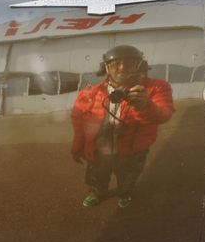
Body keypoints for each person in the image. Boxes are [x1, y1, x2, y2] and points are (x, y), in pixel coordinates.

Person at [70, 45, 174, 208]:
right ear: (105, 67)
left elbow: (165, 114)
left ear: (140, 65)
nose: (122, 68)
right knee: (96, 175)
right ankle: (96, 192)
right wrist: (77, 146)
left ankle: (125, 193)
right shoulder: (90, 93)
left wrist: (145, 105)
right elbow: (79, 122)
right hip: (99, 148)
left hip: (132, 149)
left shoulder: (156, 88)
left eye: (129, 63)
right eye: (115, 64)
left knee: (128, 175)